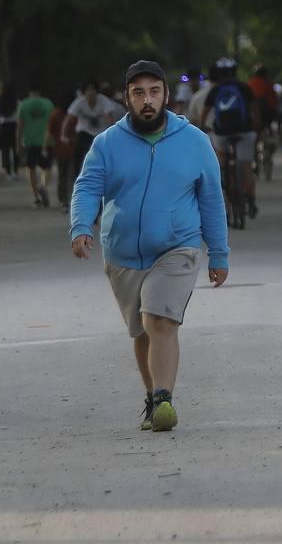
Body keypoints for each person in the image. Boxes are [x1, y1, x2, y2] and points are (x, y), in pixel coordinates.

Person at [71, 60, 229, 433]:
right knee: (142, 330)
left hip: (178, 246)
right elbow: (88, 187)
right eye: (138, 92)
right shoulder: (106, 143)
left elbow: (212, 199)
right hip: (123, 252)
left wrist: (218, 253)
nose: (147, 100)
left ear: (166, 96)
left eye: (154, 92)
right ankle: (153, 396)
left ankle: (163, 398)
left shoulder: (195, 142)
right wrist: (81, 226)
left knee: (159, 318)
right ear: (126, 98)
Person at [200, 57, 261, 218]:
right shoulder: (244, 88)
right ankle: (251, 200)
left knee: (223, 162)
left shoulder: (215, 90)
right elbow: (255, 108)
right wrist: (256, 124)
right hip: (245, 131)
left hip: (222, 133)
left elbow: (205, 113)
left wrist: (203, 127)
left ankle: (228, 184)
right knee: (246, 166)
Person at [63, 80, 123, 183]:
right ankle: (77, 178)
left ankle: (104, 177)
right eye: (88, 91)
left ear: (97, 92)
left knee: (104, 154)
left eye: (93, 90)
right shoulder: (79, 102)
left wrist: (113, 137)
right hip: (84, 132)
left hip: (99, 133)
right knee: (78, 150)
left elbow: (110, 120)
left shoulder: (104, 101)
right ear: (84, 92)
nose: (91, 93)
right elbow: (69, 119)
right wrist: (63, 135)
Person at [18, 86, 54, 208]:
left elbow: (20, 126)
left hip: (29, 141)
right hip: (46, 140)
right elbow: (52, 122)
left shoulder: (23, 104)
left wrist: (18, 144)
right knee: (48, 167)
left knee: (31, 169)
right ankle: (43, 186)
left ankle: (36, 197)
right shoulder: (48, 103)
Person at [46, 91, 77, 212]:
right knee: (73, 175)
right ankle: (72, 199)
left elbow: (50, 133)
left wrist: (47, 147)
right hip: (74, 147)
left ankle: (63, 200)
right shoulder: (75, 115)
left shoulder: (56, 113)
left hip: (59, 148)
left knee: (62, 176)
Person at [0, 84, 20, 180]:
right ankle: (16, 170)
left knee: (5, 149)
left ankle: (8, 172)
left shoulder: (1, 101)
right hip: (14, 125)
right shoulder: (15, 101)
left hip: (3, 126)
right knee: (15, 148)